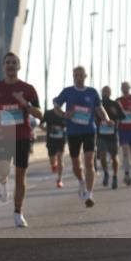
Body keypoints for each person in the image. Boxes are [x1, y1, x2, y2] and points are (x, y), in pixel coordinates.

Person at [0, 52, 42, 228]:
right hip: (3, 137)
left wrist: (24, 103)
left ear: (19, 66)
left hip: (22, 137)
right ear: (4, 66)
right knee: (2, 171)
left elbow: (40, 114)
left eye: (14, 62)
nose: (10, 65)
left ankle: (18, 212)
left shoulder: (28, 89)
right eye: (8, 62)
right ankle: (2, 183)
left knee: (20, 176)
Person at [53, 66, 111, 208]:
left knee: (89, 162)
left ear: (85, 76)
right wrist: (64, 114)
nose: (78, 78)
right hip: (73, 132)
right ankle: (81, 181)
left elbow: (99, 108)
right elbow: (56, 106)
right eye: (76, 75)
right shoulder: (67, 91)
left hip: (89, 130)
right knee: (75, 165)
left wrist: (106, 118)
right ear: (73, 76)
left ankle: (89, 194)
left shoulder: (92, 92)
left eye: (81, 75)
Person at [96, 85, 127, 190]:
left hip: (113, 135)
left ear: (110, 93)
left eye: (107, 91)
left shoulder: (115, 103)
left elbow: (123, 116)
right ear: (101, 92)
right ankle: (105, 172)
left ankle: (114, 176)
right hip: (101, 135)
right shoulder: (98, 103)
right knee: (103, 155)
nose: (105, 93)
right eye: (104, 91)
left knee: (114, 157)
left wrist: (115, 113)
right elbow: (91, 115)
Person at [40, 98, 67, 189]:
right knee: (52, 160)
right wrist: (47, 129)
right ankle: (53, 165)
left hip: (61, 140)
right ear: (53, 103)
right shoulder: (48, 113)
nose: (57, 104)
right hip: (51, 140)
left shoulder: (64, 114)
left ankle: (59, 180)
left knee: (60, 158)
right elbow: (41, 124)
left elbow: (68, 125)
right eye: (56, 103)